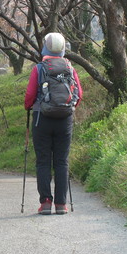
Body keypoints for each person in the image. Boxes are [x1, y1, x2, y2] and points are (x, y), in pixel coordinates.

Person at [24, 32, 83, 215]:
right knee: (61, 161)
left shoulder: (39, 68)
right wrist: (68, 108)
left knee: (43, 161)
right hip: (64, 120)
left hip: (42, 119)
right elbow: (78, 94)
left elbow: (30, 95)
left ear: (45, 47)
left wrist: (28, 106)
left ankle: (46, 203)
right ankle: (61, 204)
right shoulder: (70, 68)